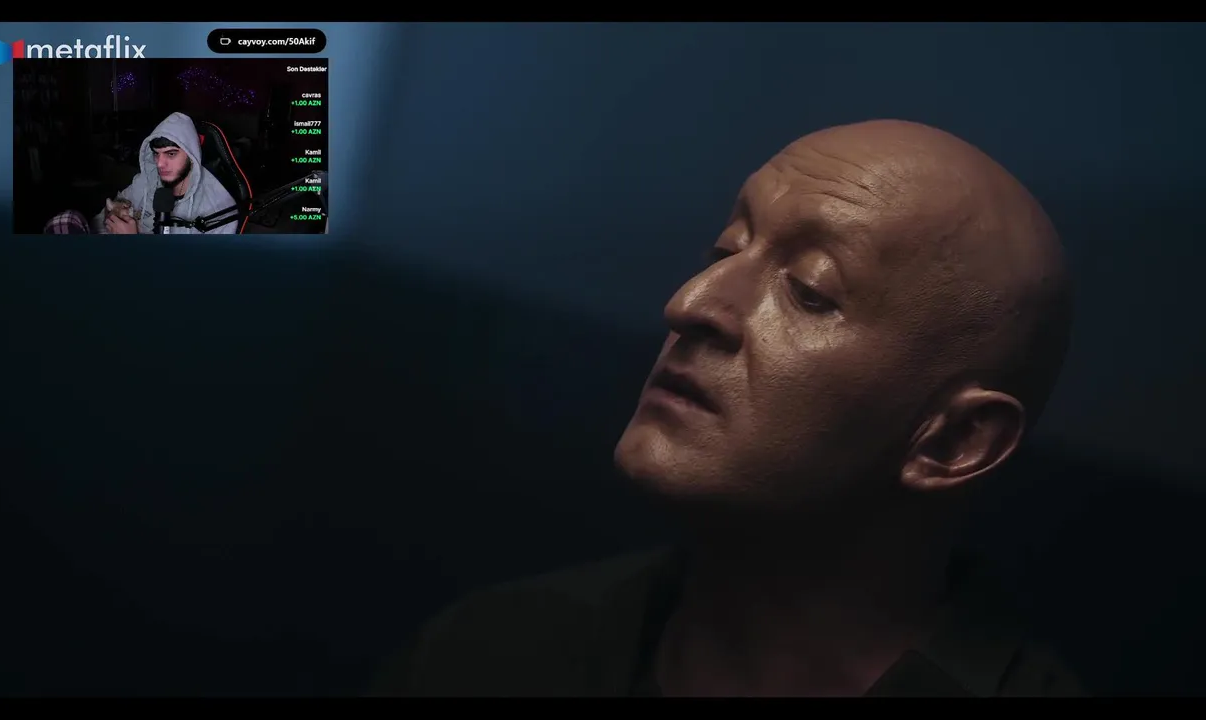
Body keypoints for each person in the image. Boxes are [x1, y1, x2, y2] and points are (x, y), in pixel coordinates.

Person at [380, 119, 1082, 697]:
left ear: (954, 441)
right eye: (725, 250)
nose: (690, 304)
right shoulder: (490, 653)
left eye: (810, 290)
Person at [43, 112, 238, 235]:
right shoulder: (147, 181)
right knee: (66, 221)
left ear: (192, 155)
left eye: (171, 154)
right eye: (156, 154)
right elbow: (108, 213)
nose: (159, 163)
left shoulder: (218, 208)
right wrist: (112, 217)